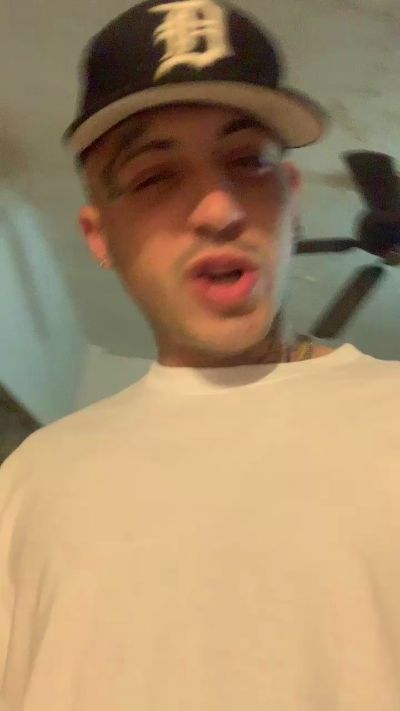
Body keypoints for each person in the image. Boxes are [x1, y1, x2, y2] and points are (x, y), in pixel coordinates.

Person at [1, 1, 400, 709]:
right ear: (99, 236)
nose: (220, 210)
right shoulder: (27, 484)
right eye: (154, 176)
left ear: (292, 199)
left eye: (248, 162)